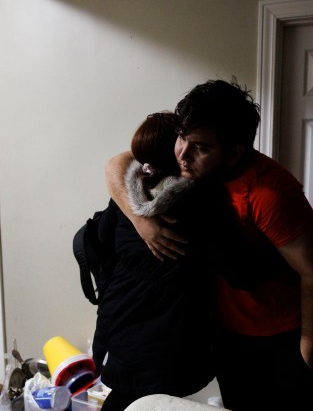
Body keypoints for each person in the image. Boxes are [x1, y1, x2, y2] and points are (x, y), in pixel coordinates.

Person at [105, 79, 313, 410]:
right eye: (181, 139)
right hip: (224, 334)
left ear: (234, 153)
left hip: (276, 336)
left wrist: (309, 354)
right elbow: (117, 162)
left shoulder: (269, 193)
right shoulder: (189, 161)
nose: (183, 154)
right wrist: (142, 221)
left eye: (200, 147)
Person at [94, 112, 256, 411]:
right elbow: (238, 273)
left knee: (126, 398)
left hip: (117, 315)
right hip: (166, 337)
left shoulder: (131, 189)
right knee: (146, 402)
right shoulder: (201, 202)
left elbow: (103, 235)